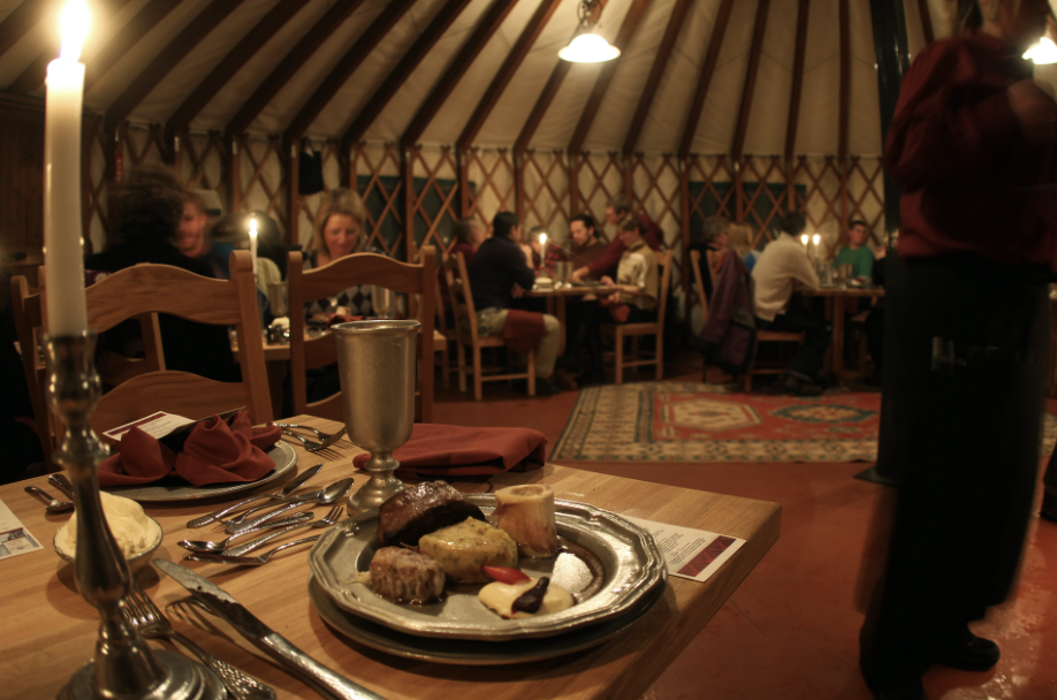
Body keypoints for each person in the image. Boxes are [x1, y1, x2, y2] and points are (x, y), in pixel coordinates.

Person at [858, 1, 1056, 699]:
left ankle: (943, 620)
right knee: (941, 473)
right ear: (998, 3)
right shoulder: (950, 60)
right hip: (952, 284)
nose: (1037, 12)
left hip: (1018, 291)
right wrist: (1004, 114)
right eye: (1026, 0)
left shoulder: (1028, 79)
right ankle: (891, 647)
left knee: (996, 478)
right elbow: (907, 159)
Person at [84, 164, 240, 383]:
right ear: (173, 216)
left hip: (111, 409)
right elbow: (220, 363)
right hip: (192, 406)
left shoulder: (91, 270)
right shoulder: (196, 273)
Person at [557, 215, 660, 386]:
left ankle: (579, 361)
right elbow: (625, 284)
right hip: (625, 302)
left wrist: (617, 289)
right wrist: (612, 285)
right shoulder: (627, 253)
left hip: (640, 309)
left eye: (624, 234)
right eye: (619, 234)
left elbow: (644, 290)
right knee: (585, 309)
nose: (620, 238)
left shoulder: (646, 255)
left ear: (635, 231)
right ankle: (590, 367)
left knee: (588, 311)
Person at [467, 212, 561, 396]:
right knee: (553, 325)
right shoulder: (509, 249)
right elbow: (528, 280)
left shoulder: (487, 246)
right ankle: (539, 380)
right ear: (513, 229)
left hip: (480, 314)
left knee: (527, 313)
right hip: (490, 317)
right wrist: (526, 255)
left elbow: (504, 277)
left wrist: (513, 284)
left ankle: (522, 375)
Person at [751, 210, 830, 396]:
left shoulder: (773, 245)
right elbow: (815, 284)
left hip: (756, 310)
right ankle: (799, 376)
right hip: (770, 313)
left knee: (809, 317)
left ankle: (806, 373)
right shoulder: (794, 249)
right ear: (802, 230)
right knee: (823, 326)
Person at [303, 188, 373, 320]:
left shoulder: (373, 263)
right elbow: (286, 320)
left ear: (359, 229)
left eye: (350, 231)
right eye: (335, 232)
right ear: (321, 229)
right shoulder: (303, 264)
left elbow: (388, 321)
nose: (343, 240)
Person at [570, 194, 662, 282]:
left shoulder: (628, 231)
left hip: (650, 273)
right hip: (655, 267)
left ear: (622, 213)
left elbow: (607, 260)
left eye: (610, 215)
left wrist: (579, 273)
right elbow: (660, 234)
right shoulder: (643, 217)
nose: (607, 218)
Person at [176, 189, 236, 280]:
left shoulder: (228, 257)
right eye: (174, 220)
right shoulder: (163, 261)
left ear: (202, 220)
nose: (181, 228)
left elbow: (250, 292)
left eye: (188, 219)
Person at [440, 217, 486, 311]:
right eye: (478, 229)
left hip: (443, 303)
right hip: (452, 306)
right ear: (470, 236)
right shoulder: (469, 251)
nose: (482, 232)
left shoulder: (457, 249)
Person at [688, 215, 731, 302]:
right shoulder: (718, 255)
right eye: (726, 233)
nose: (729, 236)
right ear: (715, 236)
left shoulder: (699, 251)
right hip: (719, 299)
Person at [565, 213, 609, 278]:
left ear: (591, 230)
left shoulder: (604, 251)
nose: (575, 236)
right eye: (573, 232)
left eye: (578, 231)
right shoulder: (575, 250)